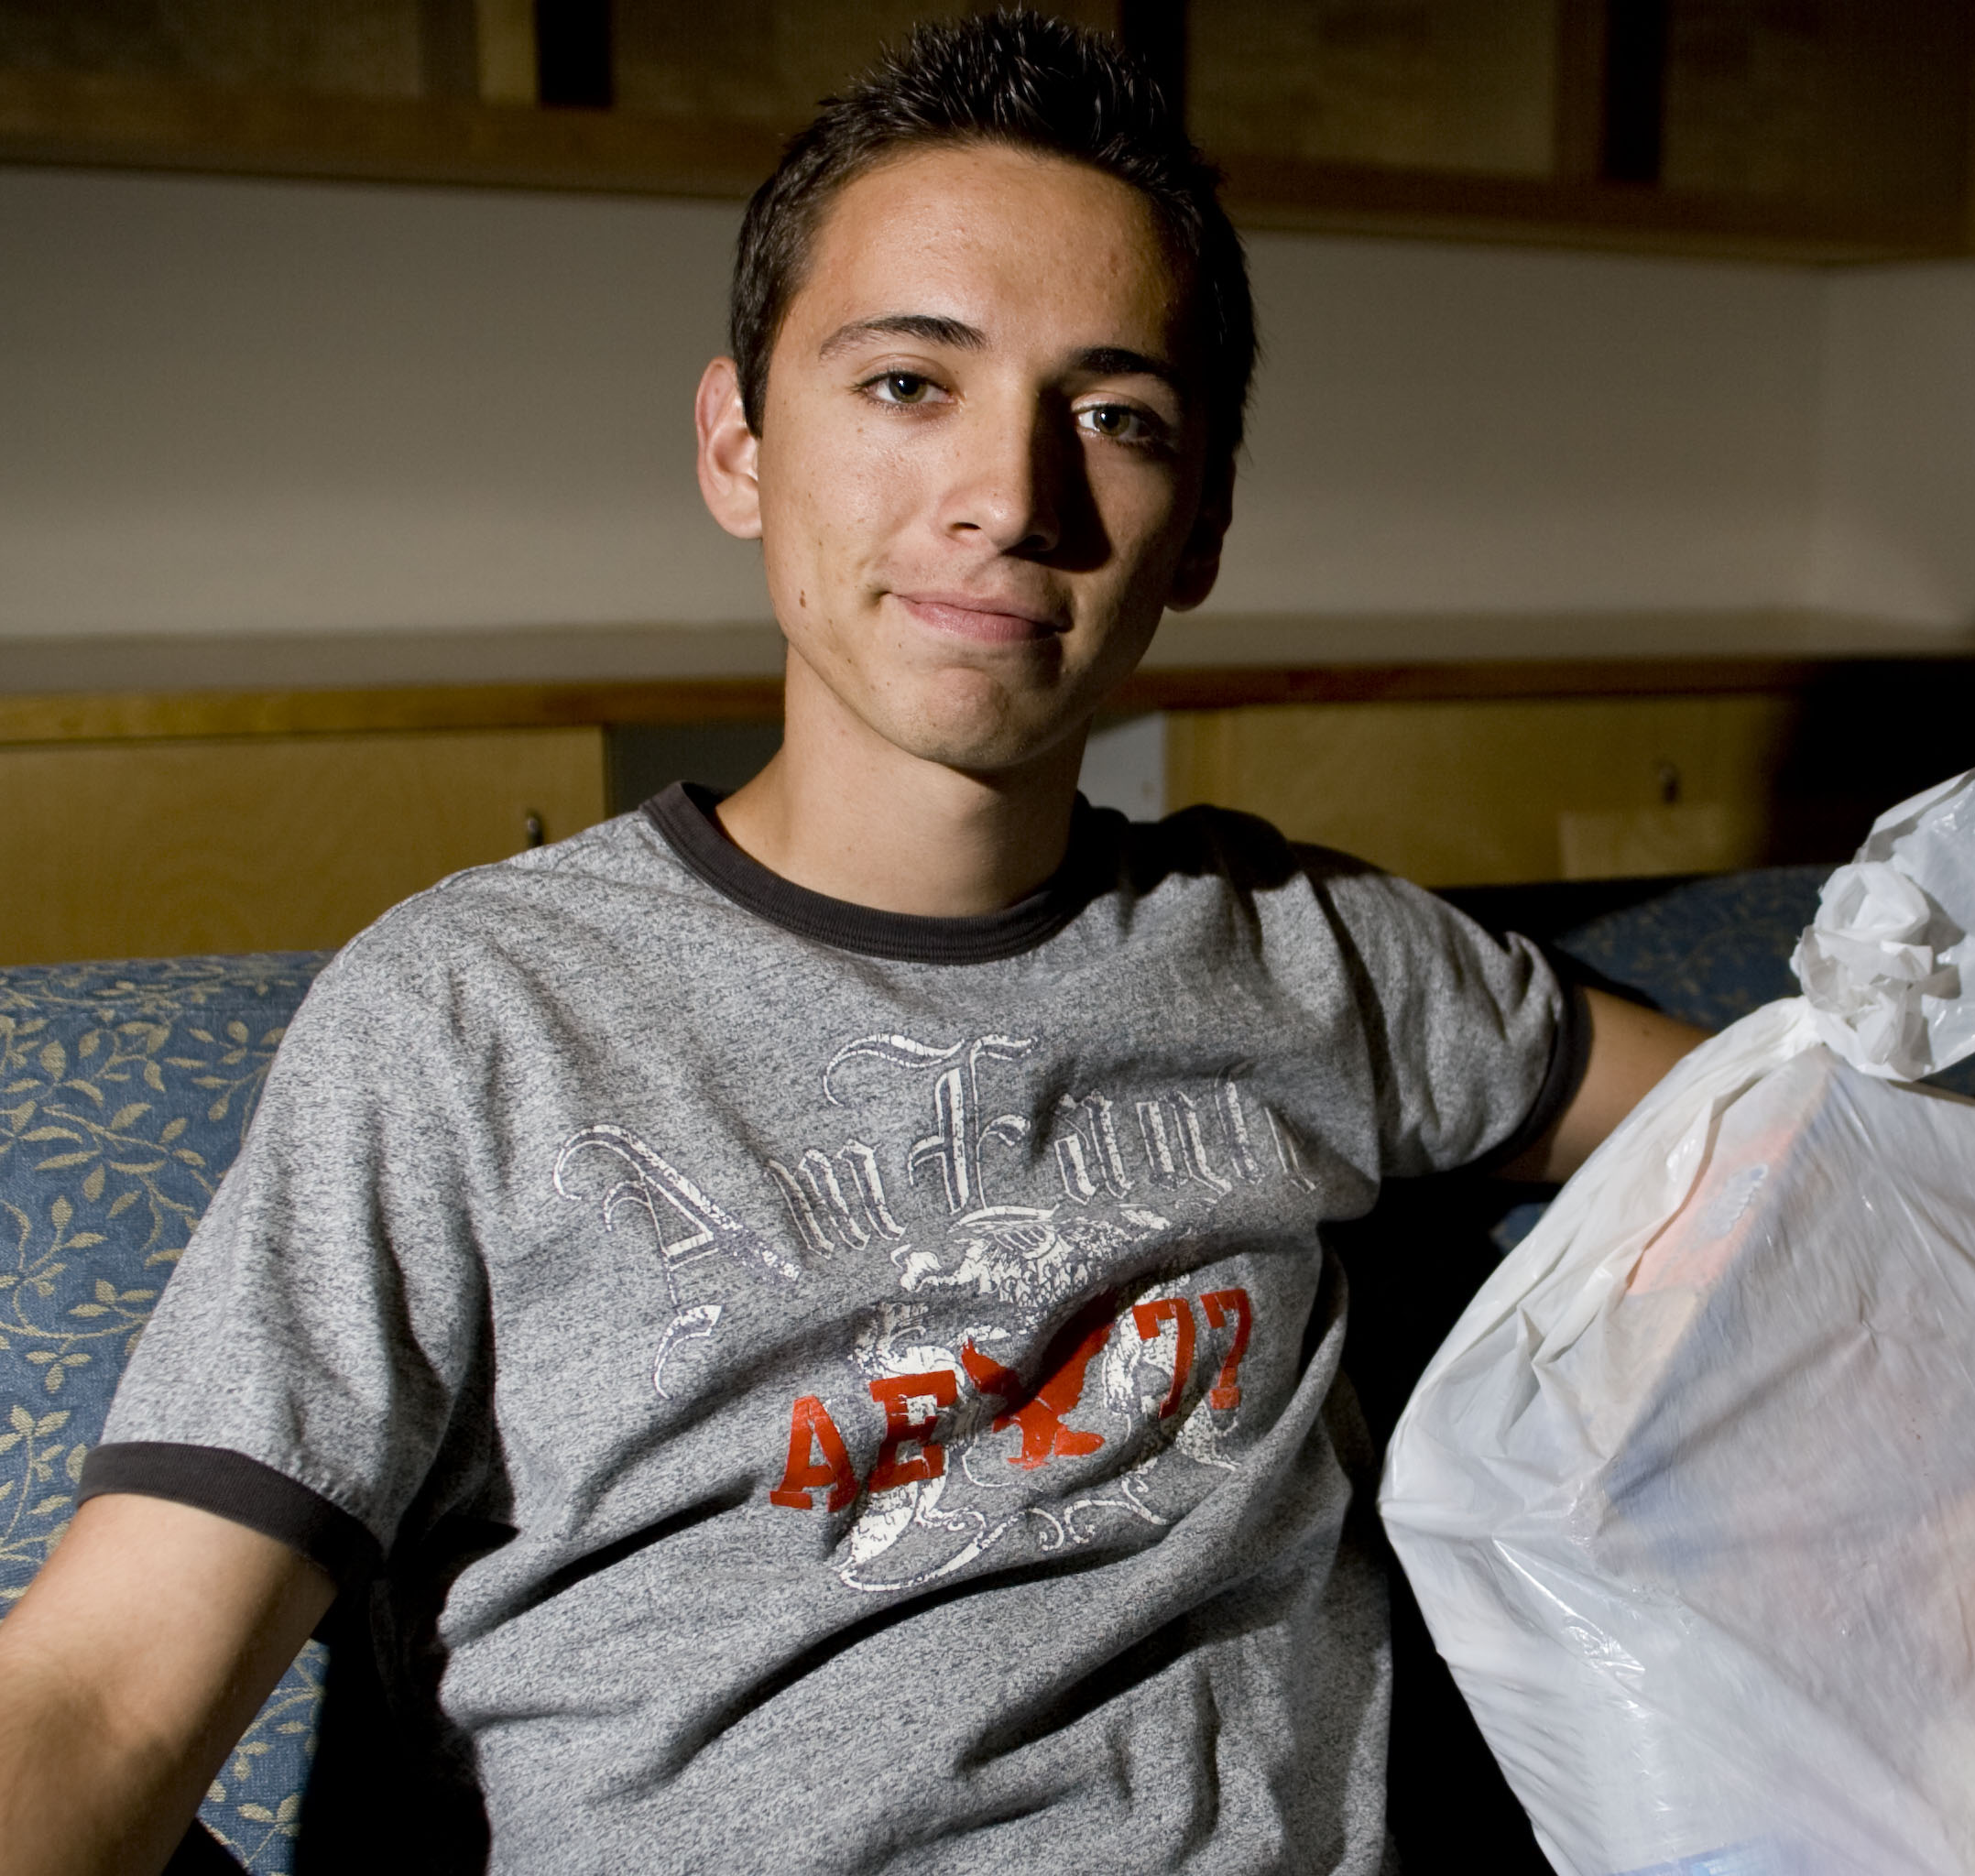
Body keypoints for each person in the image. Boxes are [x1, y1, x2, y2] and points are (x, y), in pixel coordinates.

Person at [0, 14, 1703, 1872]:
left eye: (1115, 417)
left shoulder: (1314, 955)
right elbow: (105, 1689)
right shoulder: (471, 1013)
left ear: (1198, 522)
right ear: (736, 443)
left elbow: (1782, 1141)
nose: (1011, 499)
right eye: (909, 384)